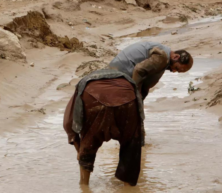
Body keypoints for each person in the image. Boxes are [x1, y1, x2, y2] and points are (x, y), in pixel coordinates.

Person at [63, 41, 193, 187]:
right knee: (132, 143)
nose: (174, 72)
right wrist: (134, 95)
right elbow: (138, 70)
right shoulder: (162, 57)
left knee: (89, 142)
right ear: (175, 57)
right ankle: (128, 186)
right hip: (126, 89)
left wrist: (78, 147)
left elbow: (69, 122)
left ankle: (83, 185)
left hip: (109, 86)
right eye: (177, 69)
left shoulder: (86, 84)